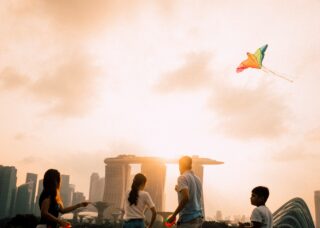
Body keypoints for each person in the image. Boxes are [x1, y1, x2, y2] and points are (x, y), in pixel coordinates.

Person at [168, 156, 203, 227]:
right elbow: (193, 195)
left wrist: (174, 215)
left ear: (181, 165)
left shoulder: (182, 178)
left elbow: (186, 198)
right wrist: (179, 190)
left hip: (188, 221)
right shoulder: (198, 179)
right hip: (199, 220)